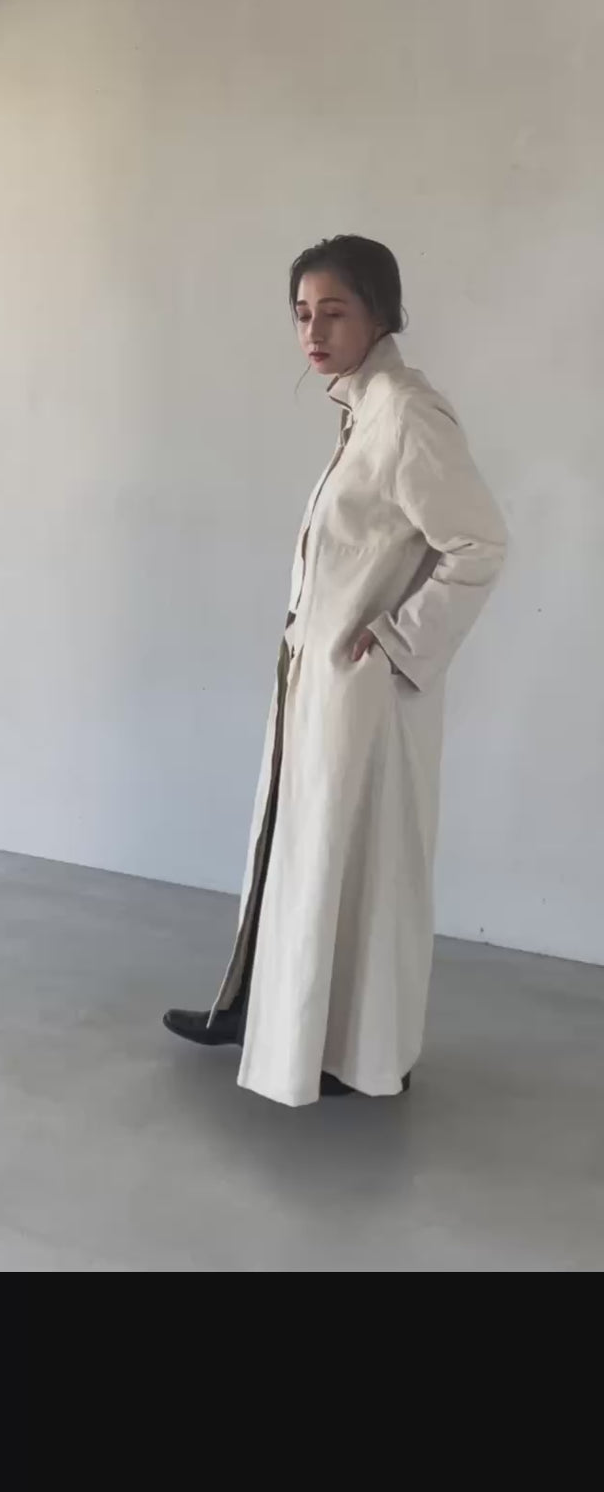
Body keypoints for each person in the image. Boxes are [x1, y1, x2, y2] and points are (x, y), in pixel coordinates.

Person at [164, 236, 507, 1105]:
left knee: (359, 870)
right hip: (320, 684)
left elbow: (478, 545)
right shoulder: (366, 409)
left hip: (367, 696)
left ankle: (358, 1054)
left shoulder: (407, 415)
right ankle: (264, 1015)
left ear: (381, 314)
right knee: (302, 852)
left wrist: (396, 639)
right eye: (301, 315)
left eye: (333, 312)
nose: (312, 333)